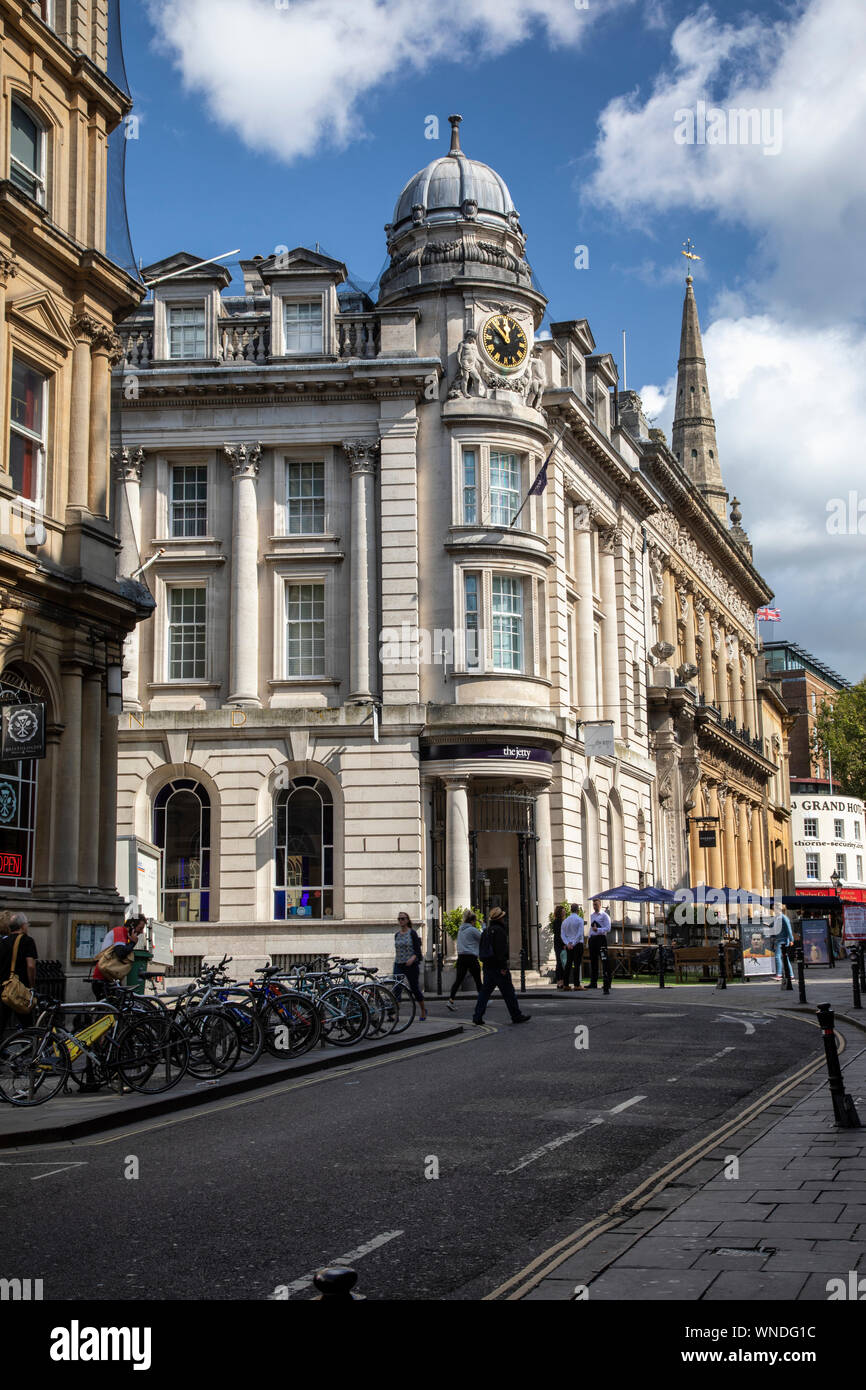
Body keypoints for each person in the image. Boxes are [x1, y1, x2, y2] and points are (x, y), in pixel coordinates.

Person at [472, 907, 531, 1025]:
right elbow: (501, 951)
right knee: (509, 993)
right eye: (503, 917)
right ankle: (516, 1015)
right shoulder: (500, 931)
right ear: (500, 918)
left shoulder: (486, 931)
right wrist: (503, 967)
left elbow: (482, 950)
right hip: (499, 968)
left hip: (488, 967)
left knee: (484, 994)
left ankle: (477, 1016)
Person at [0, 911, 38, 1035]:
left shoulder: (3, 941)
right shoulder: (27, 941)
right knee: (28, 1024)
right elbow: (31, 966)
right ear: (22, 926)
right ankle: (30, 1049)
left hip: (4, 988)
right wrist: (32, 986)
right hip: (20, 989)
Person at [91, 915, 145, 1000]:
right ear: (132, 926)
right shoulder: (120, 932)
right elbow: (120, 953)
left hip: (110, 979)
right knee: (110, 1010)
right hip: (103, 979)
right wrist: (133, 943)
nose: (142, 932)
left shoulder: (125, 935)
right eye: (140, 928)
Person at [393, 912, 428, 1020]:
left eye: (403, 918)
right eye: (399, 919)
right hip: (398, 964)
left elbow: (418, 951)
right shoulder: (397, 935)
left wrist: (412, 959)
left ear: (407, 920)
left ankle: (423, 1010)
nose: (401, 921)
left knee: (414, 988)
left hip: (411, 965)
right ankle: (396, 1013)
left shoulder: (412, 933)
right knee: (396, 988)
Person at [447, 908, 482, 1011]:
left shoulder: (460, 929)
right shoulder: (472, 929)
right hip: (471, 958)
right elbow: (482, 938)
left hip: (461, 958)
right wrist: (482, 928)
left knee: (458, 981)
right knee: (478, 980)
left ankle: (450, 1001)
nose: (475, 923)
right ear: (472, 921)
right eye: (475, 921)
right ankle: (483, 1000)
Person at [588, 898, 611, 988]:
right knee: (593, 961)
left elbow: (608, 928)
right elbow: (591, 929)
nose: (595, 907)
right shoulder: (592, 915)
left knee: (604, 960)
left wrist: (598, 929)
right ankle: (593, 982)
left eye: (596, 905)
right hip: (593, 940)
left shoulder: (604, 916)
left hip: (601, 939)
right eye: (593, 905)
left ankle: (607, 982)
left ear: (600, 905)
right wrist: (589, 938)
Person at [561, 903, 585, 989]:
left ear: (570, 910)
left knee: (568, 963)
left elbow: (562, 935)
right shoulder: (579, 920)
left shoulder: (565, 921)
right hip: (577, 944)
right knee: (577, 964)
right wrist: (574, 943)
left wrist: (568, 943)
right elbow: (579, 934)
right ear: (578, 910)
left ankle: (566, 984)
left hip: (569, 945)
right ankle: (576, 984)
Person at [773, 909, 794, 980]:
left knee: (777, 956)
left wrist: (791, 939)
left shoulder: (784, 918)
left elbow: (789, 929)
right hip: (779, 940)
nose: (774, 911)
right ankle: (791, 975)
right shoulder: (776, 918)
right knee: (785, 958)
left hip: (783, 940)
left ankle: (779, 974)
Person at [552, 903, 567, 988]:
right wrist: (564, 944)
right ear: (559, 913)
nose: (564, 913)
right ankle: (559, 981)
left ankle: (562, 981)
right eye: (563, 911)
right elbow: (559, 934)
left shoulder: (562, 921)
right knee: (560, 962)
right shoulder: (557, 922)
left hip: (560, 943)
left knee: (562, 962)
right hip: (559, 944)